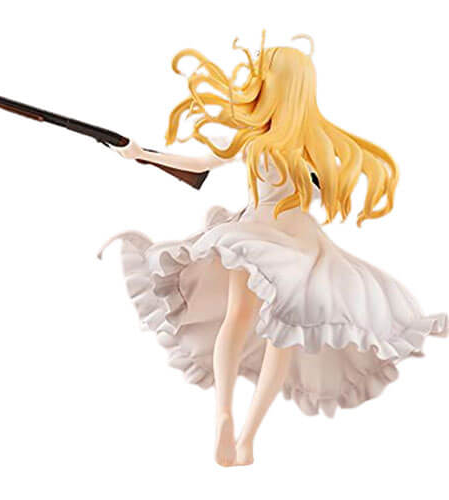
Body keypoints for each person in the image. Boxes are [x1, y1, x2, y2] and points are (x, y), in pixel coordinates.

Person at [99, 34, 447, 466]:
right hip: (298, 250)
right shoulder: (316, 146)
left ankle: (224, 414)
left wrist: (141, 154)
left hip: (252, 240)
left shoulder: (257, 142)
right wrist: (140, 153)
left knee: (237, 320)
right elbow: (324, 185)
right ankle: (246, 438)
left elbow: (201, 163)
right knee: (280, 339)